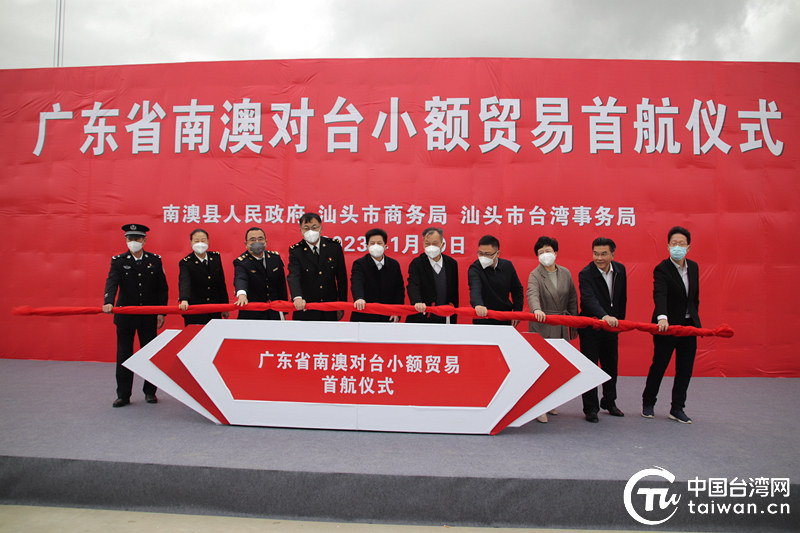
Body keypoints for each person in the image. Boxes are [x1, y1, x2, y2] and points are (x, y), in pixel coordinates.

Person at [102, 224, 168, 408]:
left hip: (148, 315)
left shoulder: (154, 260)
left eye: (137, 239)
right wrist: (109, 301)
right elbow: (112, 281)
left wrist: (161, 311)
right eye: (130, 239)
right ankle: (123, 395)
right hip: (126, 316)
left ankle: (150, 392)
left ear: (144, 240)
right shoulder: (118, 261)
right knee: (124, 355)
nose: (133, 242)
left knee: (150, 355)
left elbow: (162, 288)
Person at [641, 226, 701, 424]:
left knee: (685, 369)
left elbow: (694, 298)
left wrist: (694, 318)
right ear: (668, 246)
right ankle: (648, 403)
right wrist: (662, 317)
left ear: (688, 247)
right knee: (659, 366)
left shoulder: (694, 267)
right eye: (674, 243)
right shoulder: (662, 268)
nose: (677, 247)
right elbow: (660, 294)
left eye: (681, 244)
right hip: (666, 326)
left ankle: (677, 408)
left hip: (688, 327)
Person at [527, 235, 578, 423]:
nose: (545, 254)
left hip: (561, 324)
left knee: (558, 366)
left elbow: (572, 299)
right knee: (541, 367)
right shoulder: (535, 274)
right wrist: (536, 309)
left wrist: (574, 323)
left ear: (555, 253)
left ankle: (551, 402)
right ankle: (538, 406)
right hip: (542, 323)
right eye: (541, 252)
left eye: (548, 251)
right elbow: (532, 293)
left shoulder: (565, 273)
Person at [577, 237, 627, 423]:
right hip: (591, 329)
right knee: (590, 369)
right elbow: (589, 299)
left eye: (604, 254)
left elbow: (622, 298)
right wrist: (604, 316)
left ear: (612, 254)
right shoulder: (586, 274)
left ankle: (609, 402)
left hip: (611, 328)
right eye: (596, 254)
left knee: (610, 366)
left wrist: (619, 322)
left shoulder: (620, 270)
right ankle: (591, 408)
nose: (599, 258)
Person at [288, 213, 347, 321]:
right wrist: (297, 298)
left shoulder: (333, 247)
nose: (310, 231)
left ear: (320, 228)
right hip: (305, 308)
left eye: (314, 227)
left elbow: (341, 278)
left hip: (329, 307)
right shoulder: (296, 251)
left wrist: (341, 304)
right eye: (306, 228)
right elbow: (294, 275)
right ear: (301, 231)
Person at [350, 228, 405, 322]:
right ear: (367, 246)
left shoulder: (394, 265)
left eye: (379, 243)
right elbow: (357, 282)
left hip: (388, 317)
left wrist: (397, 311)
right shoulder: (360, 264)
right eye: (372, 243)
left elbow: (399, 290)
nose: (376, 246)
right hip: (364, 316)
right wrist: (359, 298)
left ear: (385, 246)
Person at [406, 227, 459, 324]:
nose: (431, 247)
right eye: (427, 243)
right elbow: (413, 285)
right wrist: (417, 302)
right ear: (423, 244)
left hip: (445, 318)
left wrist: (453, 316)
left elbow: (454, 292)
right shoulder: (417, 263)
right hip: (423, 317)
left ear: (442, 244)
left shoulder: (451, 264)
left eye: (435, 243)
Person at [233, 227, 288, 321]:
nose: (257, 242)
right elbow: (240, 278)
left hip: (274, 312)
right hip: (252, 313)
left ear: (265, 242)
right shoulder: (242, 262)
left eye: (260, 239)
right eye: (253, 240)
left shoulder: (275, 258)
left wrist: (284, 310)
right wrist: (242, 295)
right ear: (246, 244)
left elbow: (281, 286)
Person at [468, 235, 524, 326]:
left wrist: (517, 311)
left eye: (487, 254)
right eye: (480, 253)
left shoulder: (507, 266)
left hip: (504, 317)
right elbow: (475, 288)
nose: (483, 257)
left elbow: (517, 290)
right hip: (483, 317)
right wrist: (478, 304)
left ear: (497, 254)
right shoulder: (475, 268)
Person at [178, 229, 229, 326]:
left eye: (203, 240)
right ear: (191, 243)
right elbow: (184, 282)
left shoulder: (215, 258)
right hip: (195, 312)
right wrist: (184, 299)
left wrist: (225, 306)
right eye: (196, 241)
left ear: (208, 241)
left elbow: (221, 284)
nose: (200, 243)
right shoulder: (186, 263)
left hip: (214, 310)